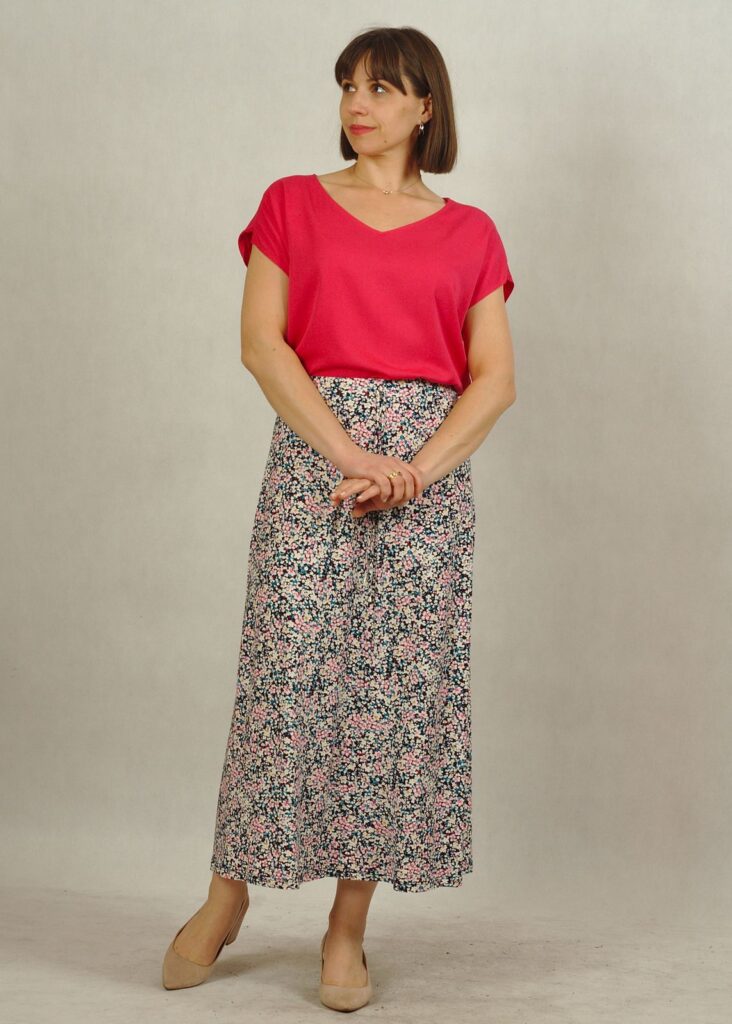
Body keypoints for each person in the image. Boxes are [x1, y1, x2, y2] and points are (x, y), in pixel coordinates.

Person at [162, 25, 516, 1012]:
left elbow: (494, 380)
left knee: (392, 705)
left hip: (425, 487)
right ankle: (229, 892)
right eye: (348, 85)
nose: (359, 102)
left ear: (425, 106)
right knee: (283, 681)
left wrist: (414, 471)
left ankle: (347, 926)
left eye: (382, 87)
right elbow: (262, 345)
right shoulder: (291, 203)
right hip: (315, 462)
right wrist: (350, 454)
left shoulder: (472, 232)